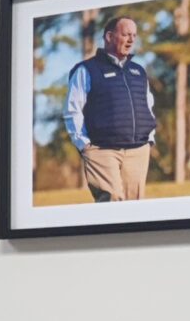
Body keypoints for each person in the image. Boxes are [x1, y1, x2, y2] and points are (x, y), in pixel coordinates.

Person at [62, 14, 161, 202]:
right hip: (101, 150)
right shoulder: (86, 70)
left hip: (138, 150)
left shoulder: (139, 71)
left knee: (135, 207)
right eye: (126, 34)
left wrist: (149, 139)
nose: (131, 39)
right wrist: (84, 145)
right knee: (112, 201)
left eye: (134, 35)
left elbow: (148, 105)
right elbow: (72, 110)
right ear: (109, 36)